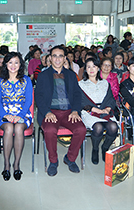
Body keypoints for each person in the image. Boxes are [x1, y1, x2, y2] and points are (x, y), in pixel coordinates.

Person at [35, 45, 86, 176]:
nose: (57, 59)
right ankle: (53, 161)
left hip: (69, 112)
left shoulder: (71, 75)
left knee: (81, 129)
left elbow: (77, 94)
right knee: (50, 130)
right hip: (50, 112)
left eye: (60, 56)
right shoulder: (43, 75)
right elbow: (38, 96)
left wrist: (75, 110)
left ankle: (70, 158)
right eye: (54, 56)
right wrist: (47, 112)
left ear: (65, 59)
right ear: (50, 58)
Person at [0, 52, 33, 181]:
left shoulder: (26, 80)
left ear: (20, 64)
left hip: (23, 112)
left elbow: (28, 101)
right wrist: (6, 115)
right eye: (10, 62)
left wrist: (20, 115)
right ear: (5, 64)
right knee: (9, 128)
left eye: (16, 62)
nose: (13, 65)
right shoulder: (0, 81)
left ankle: (16, 164)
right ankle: (6, 165)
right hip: (4, 112)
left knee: (18, 128)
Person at [79, 58, 119, 164]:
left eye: (94, 66)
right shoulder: (81, 84)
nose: (91, 69)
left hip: (105, 110)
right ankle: (95, 149)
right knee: (98, 127)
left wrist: (107, 108)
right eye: (88, 67)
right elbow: (81, 101)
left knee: (114, 127)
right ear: (85, 69)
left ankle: (105, 147)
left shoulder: (105, 83)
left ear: (98, 68)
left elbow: (110, 99)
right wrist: (95, 109)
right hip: (89, 112)